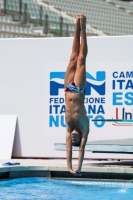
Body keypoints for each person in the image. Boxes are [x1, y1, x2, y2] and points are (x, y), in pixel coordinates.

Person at [64, 13, 89, 176]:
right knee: (81, 60)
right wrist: (78, 167)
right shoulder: (84, 128)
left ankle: (75, 25)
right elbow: (81, 150)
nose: (72, 140)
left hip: (67, 89)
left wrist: (69, 167)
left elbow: (68, 150)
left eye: (72, 141)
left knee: (73, 58)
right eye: (75, 141)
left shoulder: (68, 128)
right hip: (78, 90)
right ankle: (83, 28)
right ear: (79, 137)